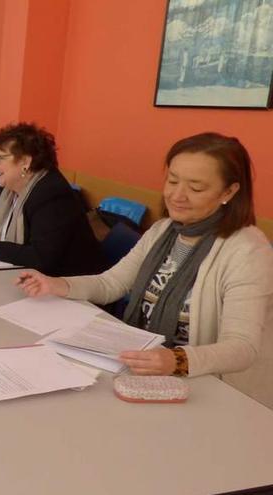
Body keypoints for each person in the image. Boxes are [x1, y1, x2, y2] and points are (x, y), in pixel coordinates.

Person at [16, 133, 273, 407]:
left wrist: (176, 359)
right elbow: (112, 283)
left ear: (229, 192)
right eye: (172, 181)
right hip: (143, 371)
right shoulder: (164, 231)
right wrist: (58, 285)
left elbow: (242, 348)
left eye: (196, 188)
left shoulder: (247, 251)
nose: (176, 195)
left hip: (212, 391)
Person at [0, 122, 105, 276]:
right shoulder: (10, 190)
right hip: (26, 278)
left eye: (0, 158)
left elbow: (41, 257)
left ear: (25, 162)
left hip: (69, 287)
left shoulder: (51, 195)